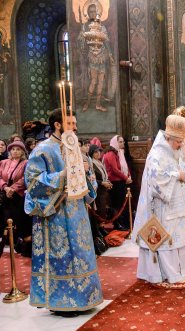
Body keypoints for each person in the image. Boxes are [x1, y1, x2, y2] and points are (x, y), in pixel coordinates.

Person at [24, 109, 103, 317]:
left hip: (77, 212)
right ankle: (62, 302)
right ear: (58, 125)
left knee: (81, 253)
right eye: (71, 123)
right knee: (63, 257)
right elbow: (32, 182)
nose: (76, 127)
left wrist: (86, 171)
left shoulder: (75, 147)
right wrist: (63, 175)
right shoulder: (43, 150)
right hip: (56, 213)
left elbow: (88, 184)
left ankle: (85, 298)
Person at [131, 114, 185, 285]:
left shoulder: (173, 151)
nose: (181, 145)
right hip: (161, 207)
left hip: (175, 206)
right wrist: (178, 175)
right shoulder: (157, 154)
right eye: (178, 142)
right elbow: (156, 182)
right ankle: (167, 273)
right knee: (167, 239)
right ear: (168, 137)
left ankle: (183, 270)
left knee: (180, 237)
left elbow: (177, 171)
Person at [0, 141, 29, 257]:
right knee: (3, 220)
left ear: (22, 151)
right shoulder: (3, 162)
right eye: (13, 149)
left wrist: (12, 189)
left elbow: (24, 178)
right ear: (10, 151)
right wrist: (6, 188)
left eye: (18, 149)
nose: (15, 151)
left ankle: (21, 245)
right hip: (4, 195)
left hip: (18, 196)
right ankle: (2, 245)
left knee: (19, 220)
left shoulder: (26, 163)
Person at [103, 135, 132, 230]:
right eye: (120, 142)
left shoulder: (118, 153)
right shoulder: (111, 154)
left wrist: (128, 176)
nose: (122, 143)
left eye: (123, 141)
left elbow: (124, 167)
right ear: (115, 142)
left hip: (120, 182)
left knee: (122, 204)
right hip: (115, 183)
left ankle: (124, 223)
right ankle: (119, 224)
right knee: (118, 205)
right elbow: (115, 170)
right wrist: (125, 178)